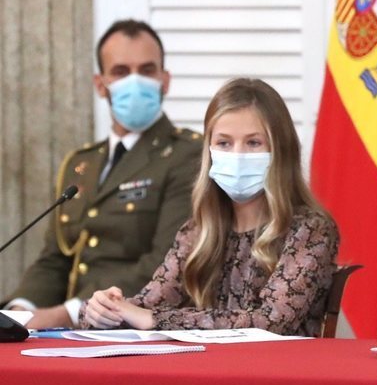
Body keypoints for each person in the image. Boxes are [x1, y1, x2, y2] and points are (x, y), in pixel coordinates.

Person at [81, 78, 340, 337]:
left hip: (278, 373)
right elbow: (146, 305)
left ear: (280, 151)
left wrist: (155, 319)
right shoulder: (197, 231)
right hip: (205, 372)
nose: (238, 155)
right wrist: (102, 309)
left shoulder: (310, 229)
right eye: (224, 143)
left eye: (253, 143)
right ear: (209, 151)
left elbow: (271, 321)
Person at [3, 19, 201, 329]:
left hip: (128, 329)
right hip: (66, 335)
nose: (135, 81)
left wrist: (65, 314)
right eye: (121, 72)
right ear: (100, 84)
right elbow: (54, 260)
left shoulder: (188, 155)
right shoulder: (81, 163)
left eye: (147, 70)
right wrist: (19, 311)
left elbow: (166, 262)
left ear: (165, 81)